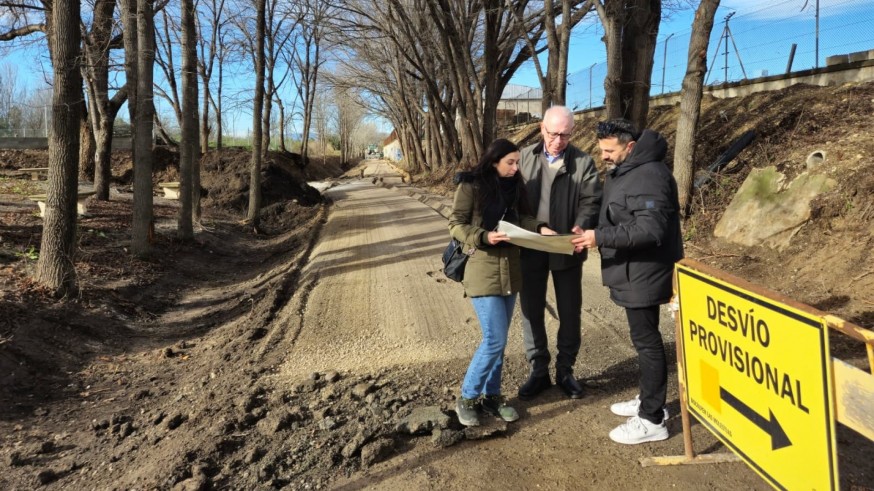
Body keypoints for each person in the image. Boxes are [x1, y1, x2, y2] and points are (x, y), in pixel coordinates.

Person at [572, 119, 684, 444]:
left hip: (645, 273)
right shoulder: (627, 170)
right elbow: (617, 212)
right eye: (602, 149)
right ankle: (650, 400)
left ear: (630, 147)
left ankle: (652, 419)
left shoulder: (649, 175)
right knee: (643, 340)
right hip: (632, 271)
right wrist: (588, 228)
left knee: (647, 343)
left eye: (610, 150)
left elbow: (651, 230)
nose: (604, 155)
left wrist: (600, 237)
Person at [448, 138, 556, 427]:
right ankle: (468, 397)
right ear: (493, 160)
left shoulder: (515, 186)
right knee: (494, 340)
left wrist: (541, 228)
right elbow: (456, 225)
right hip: (482, 270)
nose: (515, 167)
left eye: (517, 162)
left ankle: (492, 397)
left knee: (499, 341)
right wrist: (484, 236)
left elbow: (522, 218)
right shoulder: (471, 185)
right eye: (510, 162)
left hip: (511, 270)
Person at [516, 105, 602, 400]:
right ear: (542, 129)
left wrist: (581, 225)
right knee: (531, 310)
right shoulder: (524, 157)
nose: (558, 140)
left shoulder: (583, 162)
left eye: (565, 135)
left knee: (569, 311)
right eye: (553, 134)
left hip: (567, 246)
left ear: (572, 132)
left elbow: (591, 200)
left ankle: (566, 370)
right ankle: (538, 370)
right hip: (530, 245)